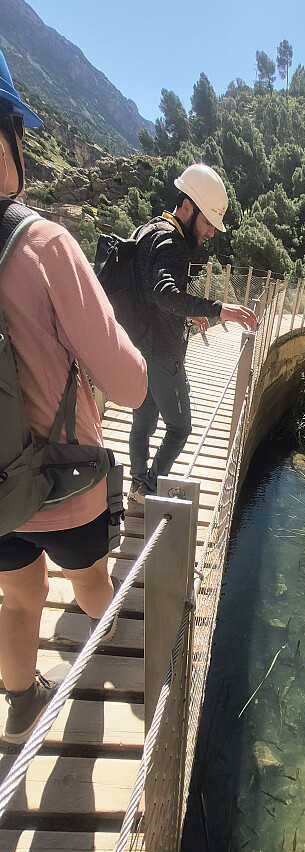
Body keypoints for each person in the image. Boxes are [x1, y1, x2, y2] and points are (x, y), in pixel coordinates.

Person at [0, 49, 147, 744]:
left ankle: (21, 697)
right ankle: (111, 640)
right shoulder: (44, 245)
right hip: (66, 487)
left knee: (18, 595)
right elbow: (127, 382)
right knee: (89, 578)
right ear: (13, 139)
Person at [128, 164, 257, 505]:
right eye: (208, 222)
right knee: (180, 428)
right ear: (187, 207)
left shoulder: (151, 230)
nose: (212, 232)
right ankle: (152, 487)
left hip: (139, 347)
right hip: (162, 354)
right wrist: (220, 309)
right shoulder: (173, 243)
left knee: (142, 419)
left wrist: (192, 312)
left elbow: (152, 295)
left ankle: (138, 481)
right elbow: (163, 292)